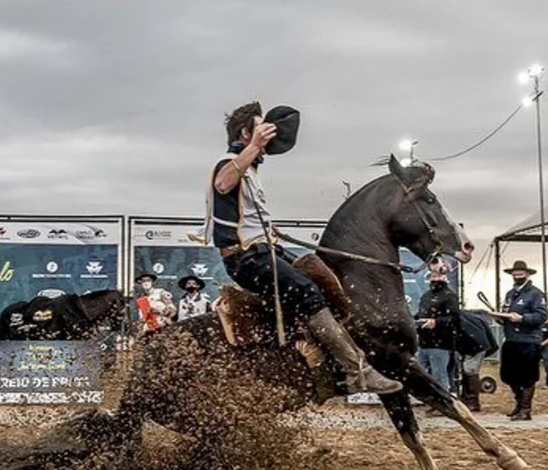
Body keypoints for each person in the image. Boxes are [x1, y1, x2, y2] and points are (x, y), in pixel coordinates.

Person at [193, 101, 401, 394]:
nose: (268, 134)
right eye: (260, 127)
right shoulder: (227, 163)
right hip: (246, 259)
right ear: (245, 134)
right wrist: (253, 146)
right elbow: (223, 184)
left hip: (263, 250)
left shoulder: (250, 170)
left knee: (319, 274)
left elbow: (242, 212)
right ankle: (358, 371)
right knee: (306, 291)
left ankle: (320, 357)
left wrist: (270, 229)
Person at [491, 259, 548, 421]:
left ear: (527, 274)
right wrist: (501, 317)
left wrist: (522, 318)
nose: (517, 276)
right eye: (515, 274)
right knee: (508, 375)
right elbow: (506, 312)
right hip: (511, 339)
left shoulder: (536, 294)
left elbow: (542, 316)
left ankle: (525, 408)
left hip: (528, 340)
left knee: (527, 376)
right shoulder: (510, 294)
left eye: (520, 274)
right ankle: (519, 402)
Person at [414, 258, 460, 394]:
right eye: (432, 276)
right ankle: (429, 399)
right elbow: (420, 314)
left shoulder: (450, 296)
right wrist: (413, 320)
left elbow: (455, 318)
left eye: (437, 276)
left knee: (439, 376)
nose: (434, 279)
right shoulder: (426, 296)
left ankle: (443, 401)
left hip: (440, 344)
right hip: (424, 343)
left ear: (445, 278)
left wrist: (436, 322)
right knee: (420, 374)